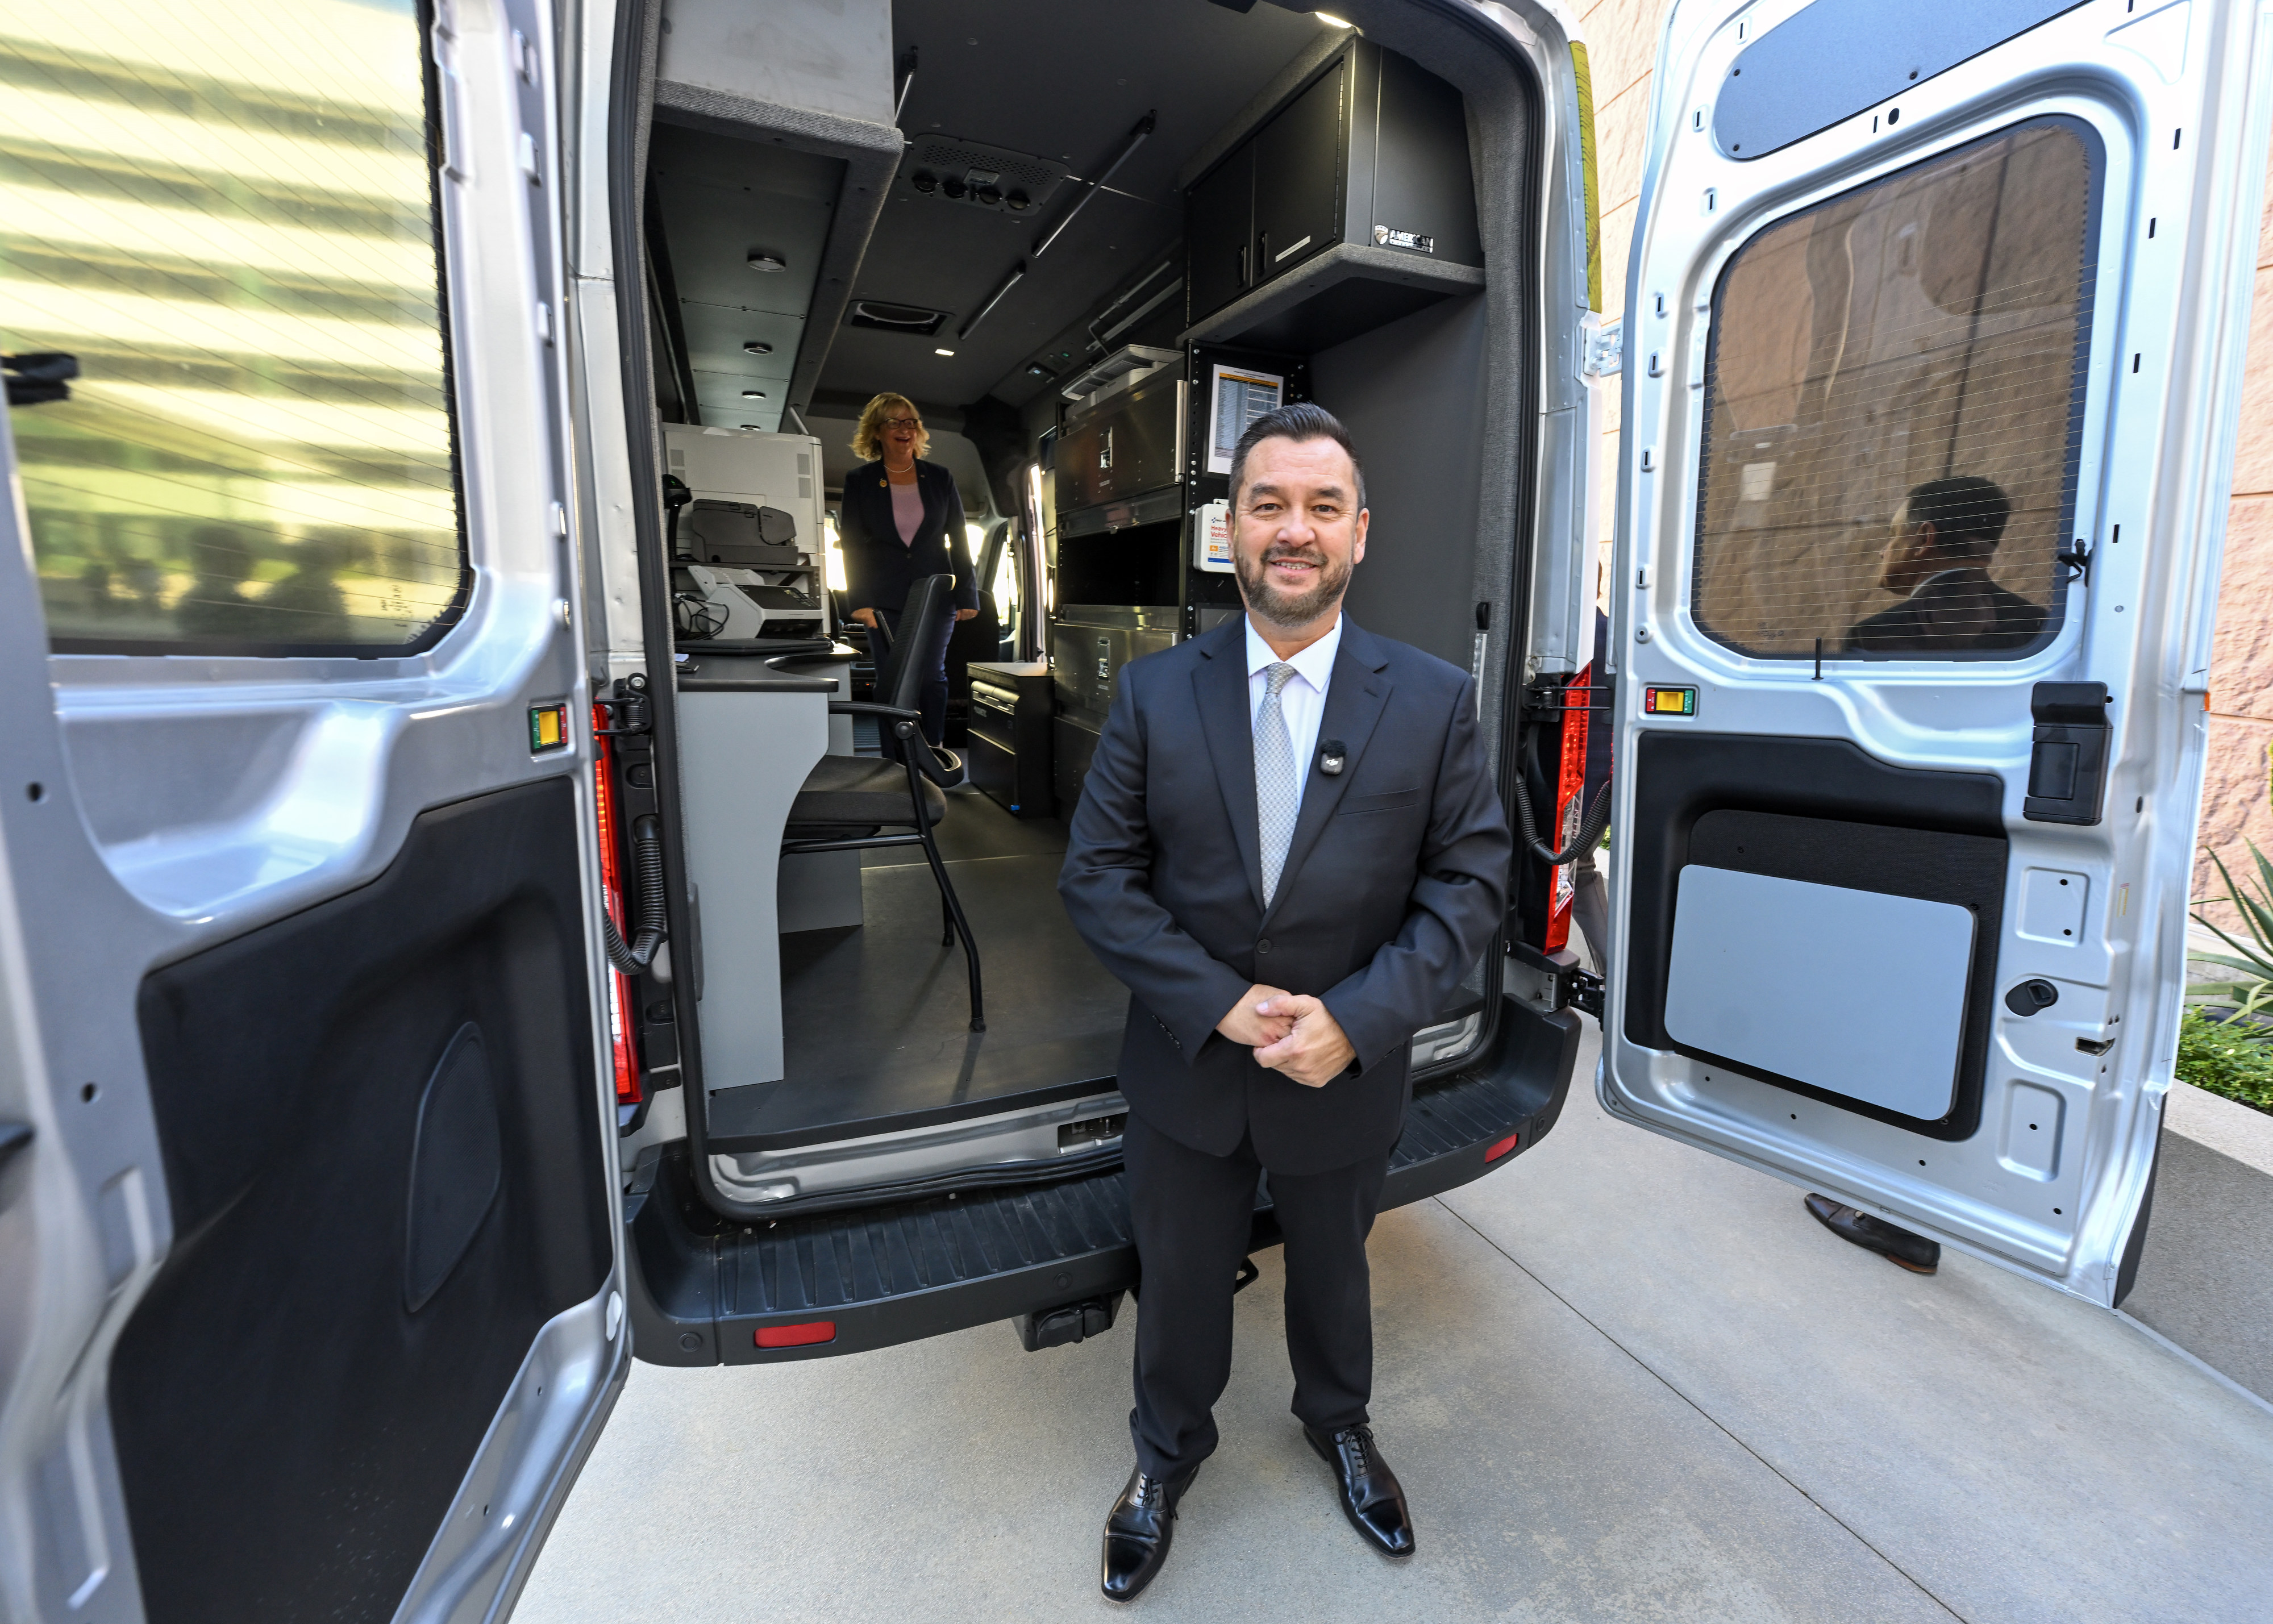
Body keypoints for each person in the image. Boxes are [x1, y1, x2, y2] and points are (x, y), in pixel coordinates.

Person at [1058, 402, 1512, 1601]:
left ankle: (1339, 1424)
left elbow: (1468, 885)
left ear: (1359, 534)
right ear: (1229, 532)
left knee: (1334, 1271)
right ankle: (1164, 1455)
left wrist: (1356, 1021)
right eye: (1268, 505)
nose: (1293, 531)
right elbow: (1093, 878)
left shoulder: (1428, 700)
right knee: (1178, 1278)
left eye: (1321, 507)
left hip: (1343, 1070)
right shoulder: (1156, 695)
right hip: (1185, 1067)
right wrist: (1215, 1003)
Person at [836, 393, 979, 745]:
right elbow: (852, 544)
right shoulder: (861, 480)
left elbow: (959, 540)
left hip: (936, 594)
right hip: (884, 599)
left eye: (911, 422)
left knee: (931, 677)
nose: (905, 429)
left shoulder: (940, 478)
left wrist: (967, 594)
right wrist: (860, 600)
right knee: (892, 679)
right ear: (877, 432)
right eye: (894, 422)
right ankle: (894, 763)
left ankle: (932, 752)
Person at [1843, 475, 2045, 654]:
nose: (1883, 552)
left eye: (1894, 535)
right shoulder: (2042, 627)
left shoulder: (1875, 636)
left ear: (1924, 539)